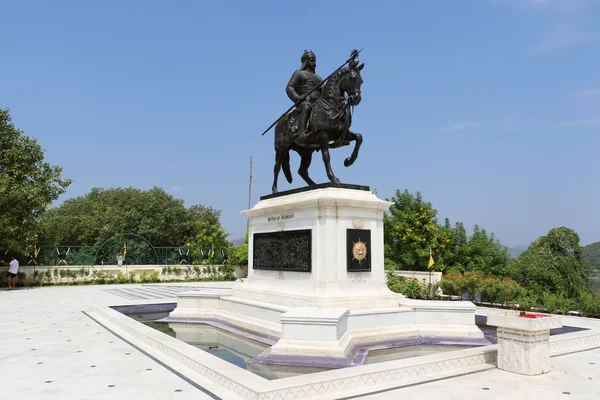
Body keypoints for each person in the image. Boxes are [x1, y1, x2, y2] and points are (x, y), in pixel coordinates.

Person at [286, 50, 323, 145]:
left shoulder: (319, 78)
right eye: (311, 60)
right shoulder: (299, 73)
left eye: (315, 60)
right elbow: (289, 87)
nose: (314, 63)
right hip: (304, 102)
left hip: (317, 103)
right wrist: (297, 97)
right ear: (306, 61)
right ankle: (301, 134)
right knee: (307, 106)